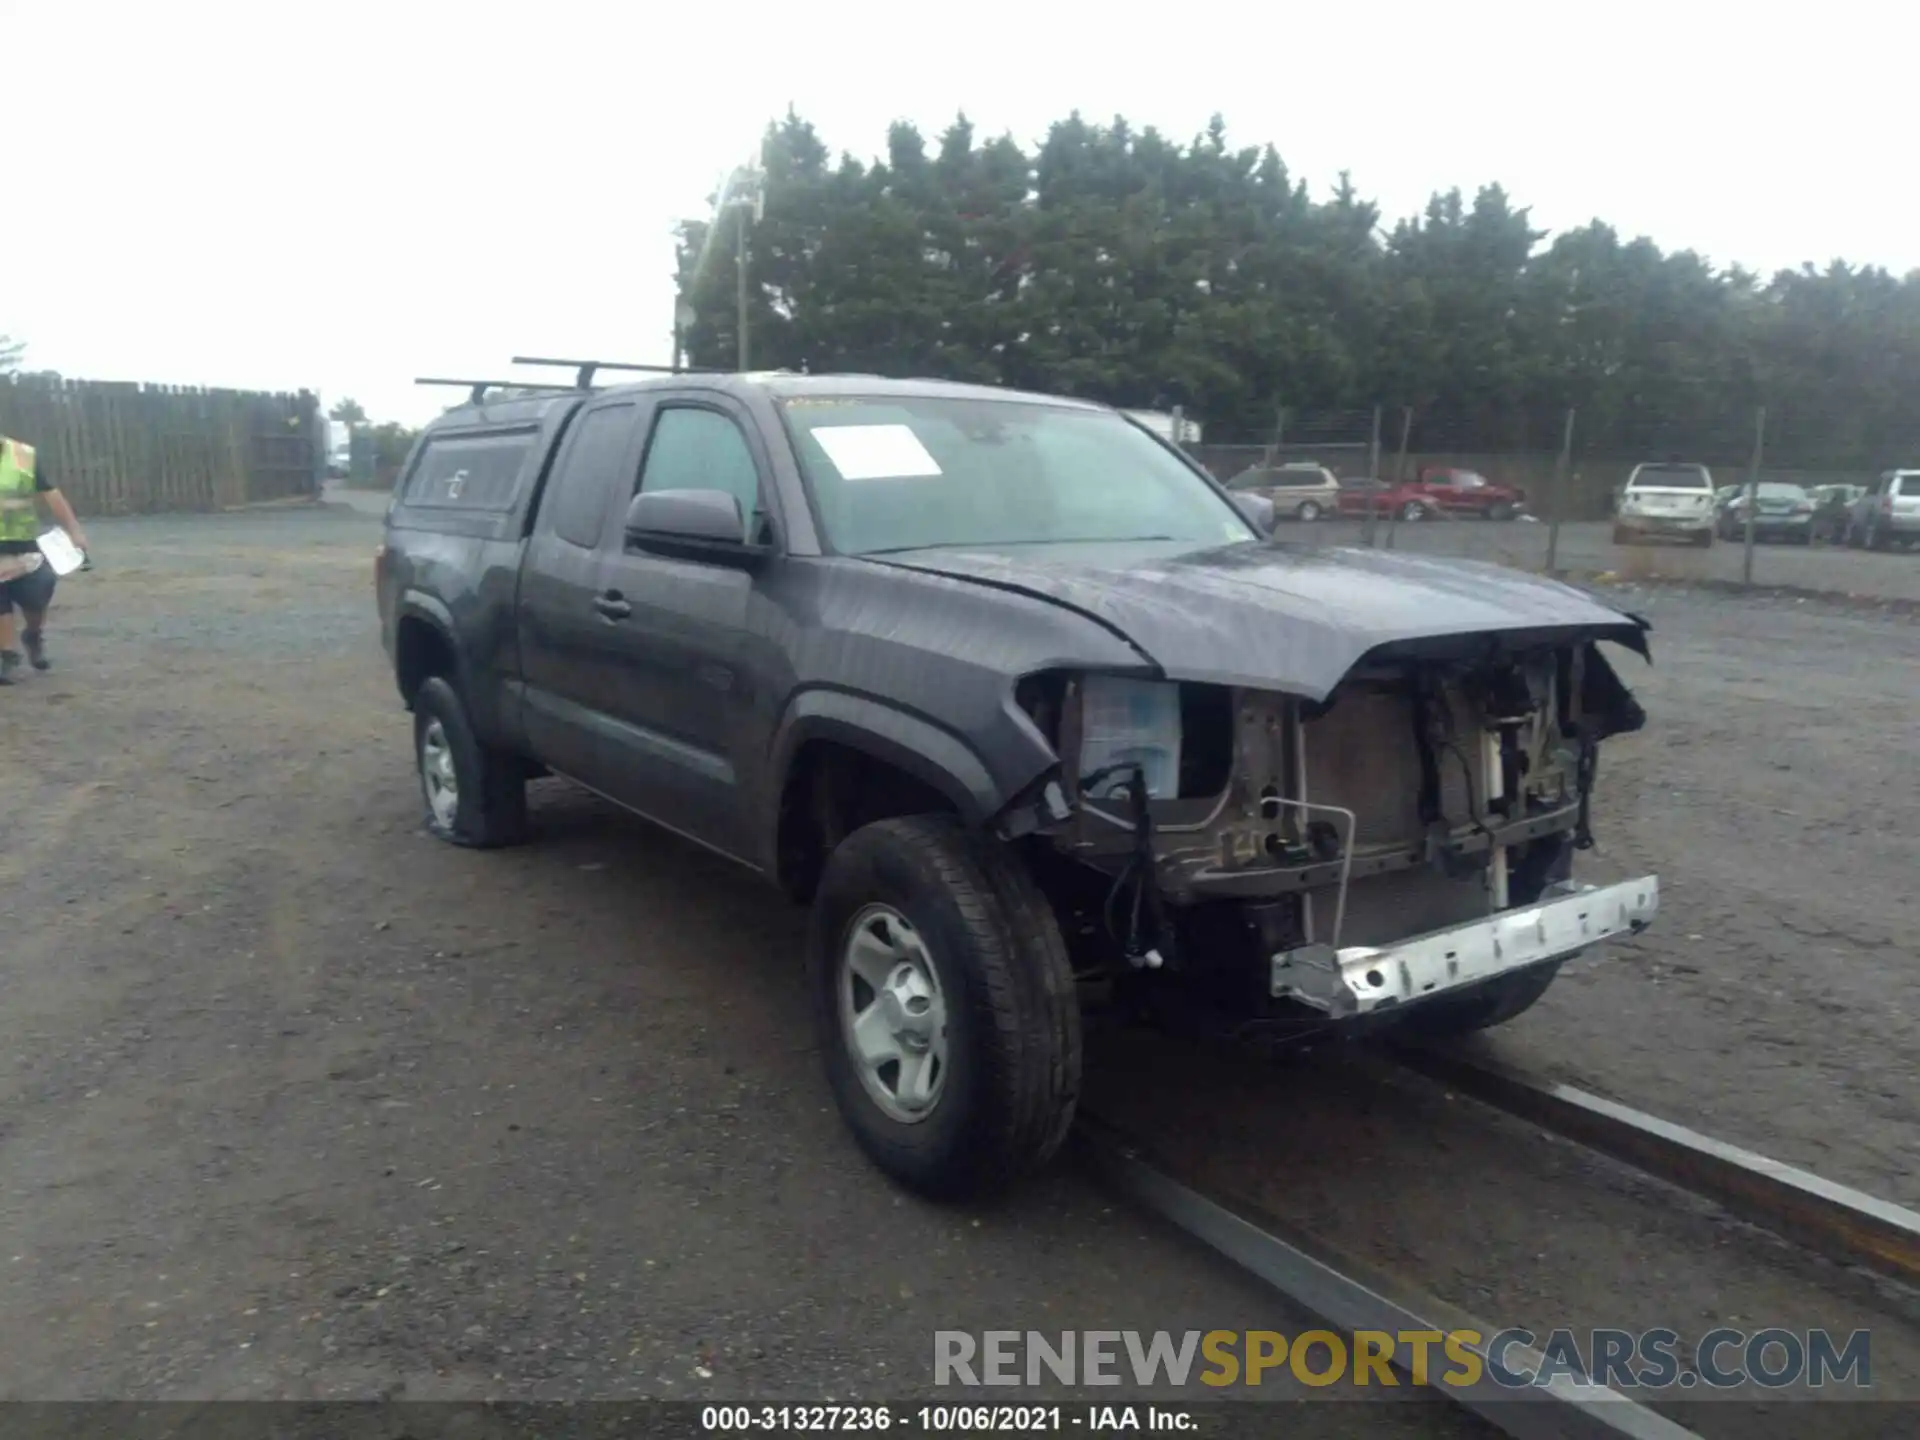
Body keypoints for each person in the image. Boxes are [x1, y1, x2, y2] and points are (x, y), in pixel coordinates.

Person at [0, 434, 88, 684]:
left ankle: (32, 634)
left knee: (38, 594)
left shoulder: (24, 456)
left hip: (24, 543)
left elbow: (52, 495)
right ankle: (7, 655)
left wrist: (74, 530)